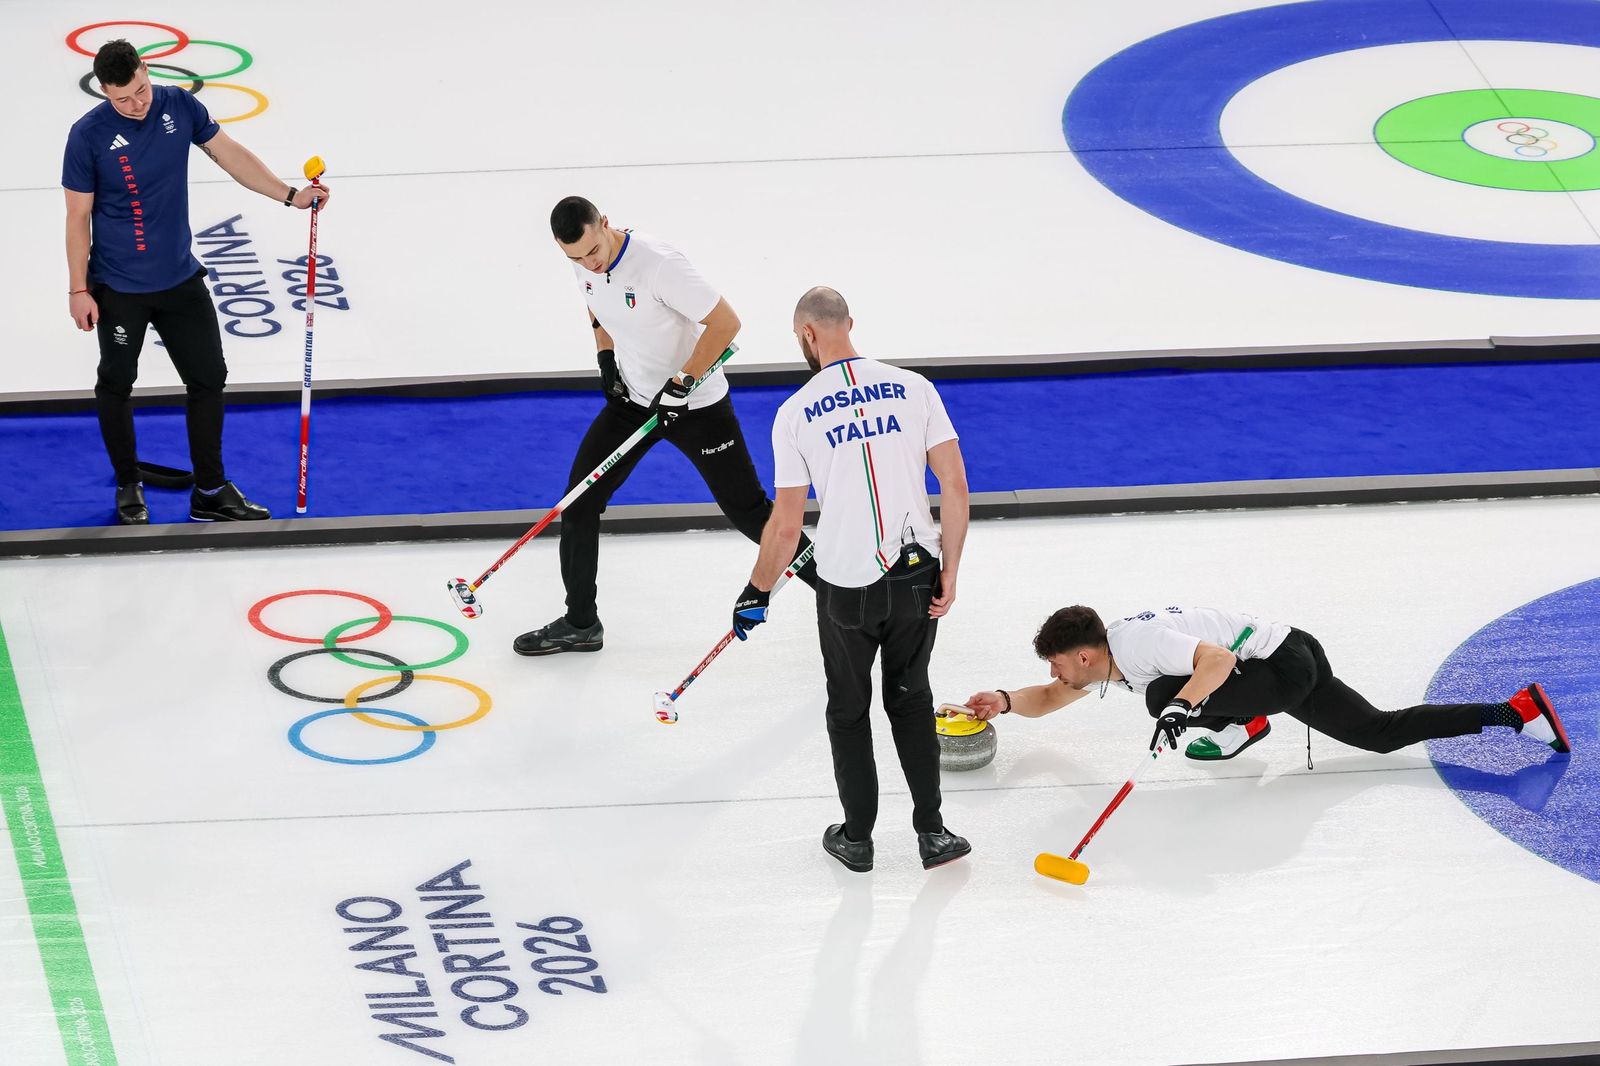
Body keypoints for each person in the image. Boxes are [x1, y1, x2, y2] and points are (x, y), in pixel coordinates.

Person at [732, 286, 971, 873]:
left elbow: (786, 526)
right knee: (911, 699)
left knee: (848, 708)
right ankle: (932, 833)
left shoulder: (794, 413)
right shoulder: (914, 388)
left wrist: (756, 592)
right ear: (850, 323)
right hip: (916, 572)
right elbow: (955, 486)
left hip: (845, 585)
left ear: (807, 334)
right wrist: (951, 567)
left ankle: (858, 838)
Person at [517, 196, 816, 656]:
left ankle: (842, 593)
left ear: (605, 224)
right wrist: (605, 356)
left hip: (697, 406)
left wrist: (683, 382)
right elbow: (596, 302)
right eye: (575, 258)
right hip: (635, 402)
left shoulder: (659, 264)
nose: (589, 264)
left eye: (593, 251)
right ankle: (580, 624)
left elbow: (726, 323)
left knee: (750, 512)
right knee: (579, 503)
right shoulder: (584, 262)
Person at [63, 39, 328, 525]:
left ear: (146, 70)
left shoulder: (179, 105)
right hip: (119, 287)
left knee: (208, 379)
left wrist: (290, 195)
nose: (136, 104)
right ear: (104, 91)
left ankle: (209, 490)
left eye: (141, 91)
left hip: (180, 278)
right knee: (116, 384)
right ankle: (128, 483)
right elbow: (77, 216)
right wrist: (79, 289)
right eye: (122, 99)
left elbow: (230, 155)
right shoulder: (87, 136)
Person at [961, 605, 1571, 761]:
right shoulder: (1102, 662)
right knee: (1379, 734)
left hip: (1280, 667)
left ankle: (1244, 723)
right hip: (1289, 657)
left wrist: (1179, 709)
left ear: (1085, 655)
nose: (1055, 674)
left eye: (1057, 663)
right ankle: (1515, 711)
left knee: (1159, 698)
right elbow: (1050, 698)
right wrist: (1003, 702)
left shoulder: (1139, 645)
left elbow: (1216, 662)